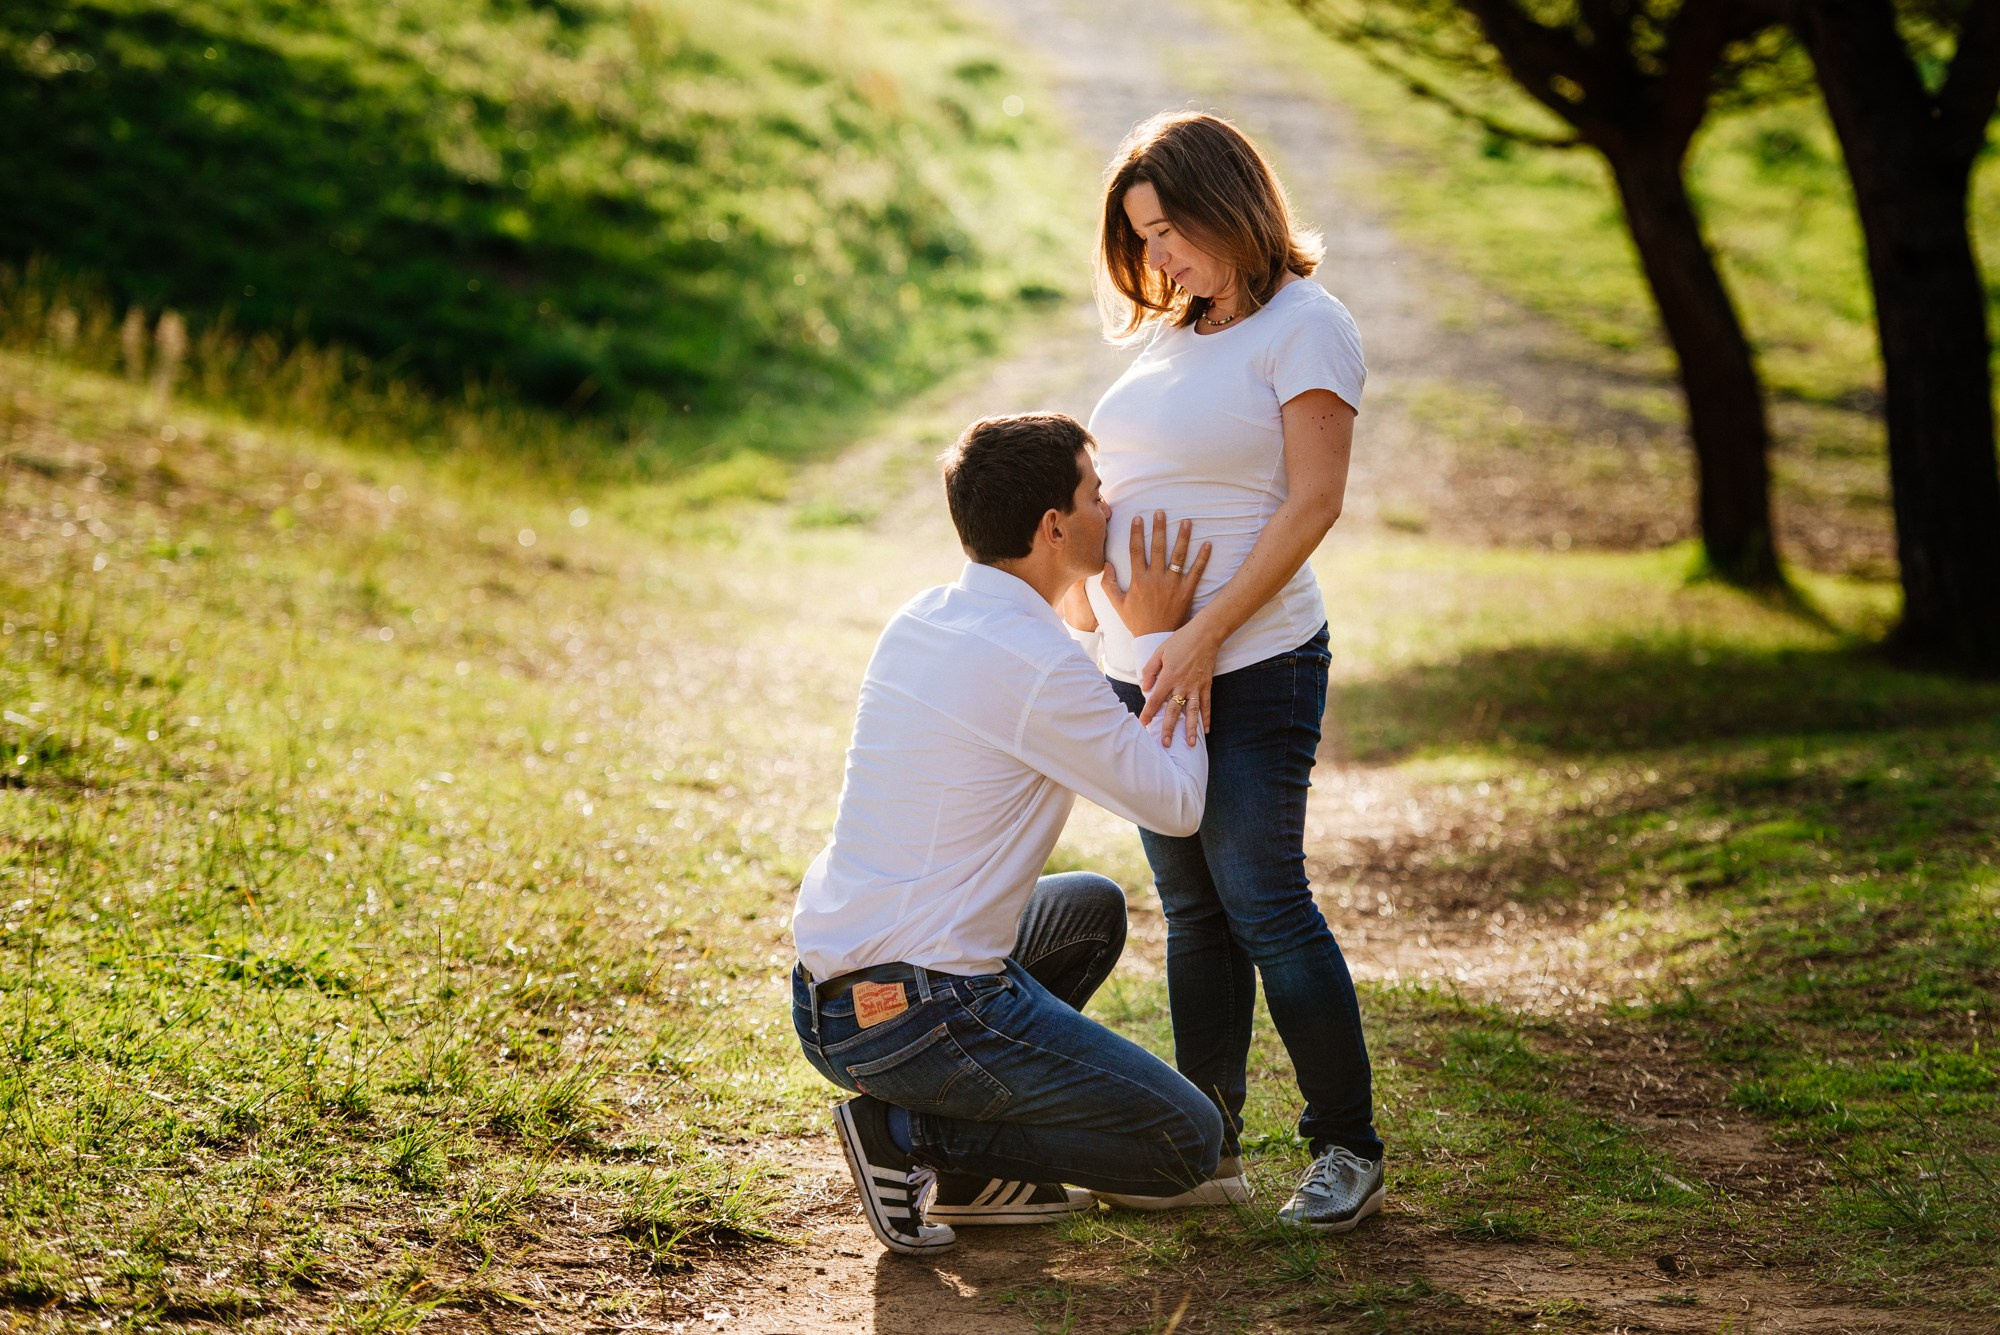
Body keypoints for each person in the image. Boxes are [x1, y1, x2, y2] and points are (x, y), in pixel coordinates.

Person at [791, 412, 1226, 1255]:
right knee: (1185, 1141)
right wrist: (1164, 638)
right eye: (1097, 492)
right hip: (917, 1014)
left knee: (1091, 908)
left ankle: (974, 1176)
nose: (1113, 506)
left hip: (829, 999)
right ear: (1054, 525)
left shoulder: (926, 615)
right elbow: (1176, 803)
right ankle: (912, 1135)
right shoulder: (1037, 665)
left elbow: (1041, 684)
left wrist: (1097, 618)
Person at [1071, 110, 1385, 1231]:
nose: (1156, 257)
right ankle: (1204, 1153)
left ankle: (1345, 1148)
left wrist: (1202, 636)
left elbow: (1313, 503)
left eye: (1168, 230)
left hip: (1249, 662)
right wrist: (1123, 626)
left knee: (1262, 901)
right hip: (1147, 668)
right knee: (1194, 913)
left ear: (1226, 204)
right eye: (1142, 238)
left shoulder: (1305, 325)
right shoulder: (1172, 335)